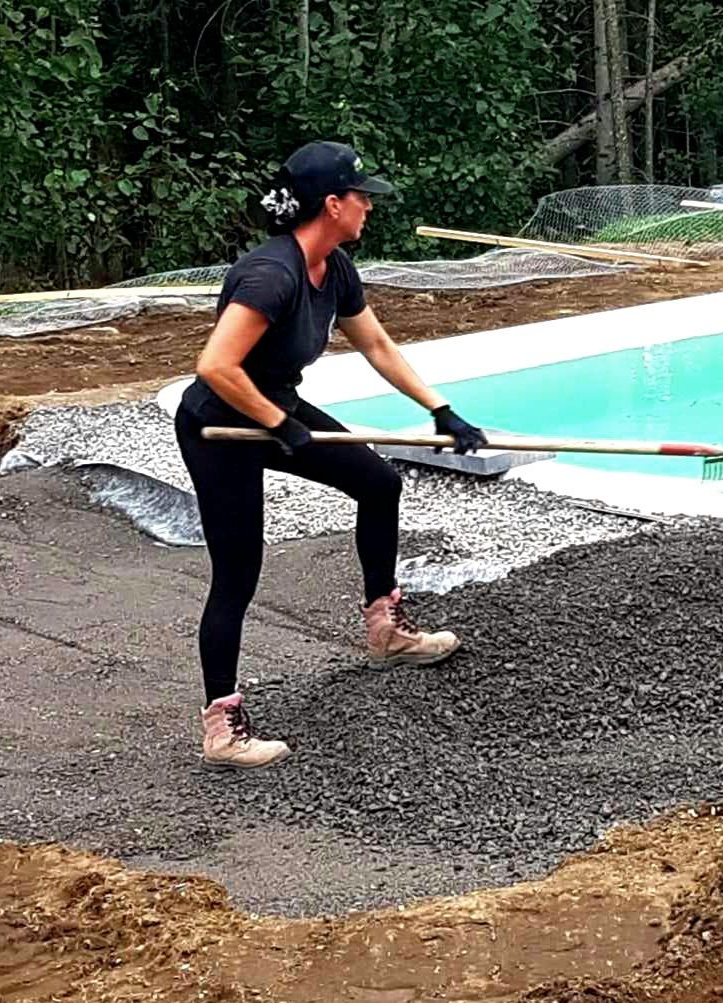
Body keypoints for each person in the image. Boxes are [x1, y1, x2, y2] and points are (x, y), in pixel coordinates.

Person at [174, 141, 489, 770]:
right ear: (332, 204)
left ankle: (385, 628)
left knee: (378, 483)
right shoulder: (272, 274)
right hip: (218, 424)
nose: (370, 205)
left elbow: (375, 344)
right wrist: (278, 425)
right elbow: (215, 366)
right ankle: (221, 727)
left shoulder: (335, 267)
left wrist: (440, 409)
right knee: (237, 574)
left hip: (272, 407)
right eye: (362, 196)